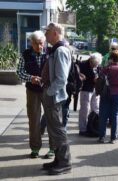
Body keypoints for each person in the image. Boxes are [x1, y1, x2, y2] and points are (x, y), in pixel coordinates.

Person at [16, 30, 54, 159]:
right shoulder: (25, 54)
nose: (39, 46)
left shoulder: (51, 53)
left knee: (51, 119)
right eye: (36, 43)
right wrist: (30, 77)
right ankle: (35, 148)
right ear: (31, 43)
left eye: (41, 43)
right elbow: (19, 72)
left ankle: (52, 148)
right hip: (32, 91)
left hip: (48, 90)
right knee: (34, 120)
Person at [41, 22, 72, 175]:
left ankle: (65, 162)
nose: (45, 35)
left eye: (47, 32)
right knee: (54, 130)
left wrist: (49, 92)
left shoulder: (60, 50)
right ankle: (58, 160)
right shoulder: (56, 49)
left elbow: (61, 79)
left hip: (54, 96)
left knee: (58, 130)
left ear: (55, 33)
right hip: (53, 95)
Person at [98, 50, 118, 144]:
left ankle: (102, 137)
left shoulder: (106, 69)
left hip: (106, 93)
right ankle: (113, 138)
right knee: (115, 116)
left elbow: (100, 80)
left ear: (111, 58)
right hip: (117, 93)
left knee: (103, 116)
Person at [78, 53, 102, 136]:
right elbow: (77, 74)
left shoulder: (98, 66)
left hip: (95, 89)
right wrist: (80, 76)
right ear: (90, 60)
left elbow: (100, 74)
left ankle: (94, 127)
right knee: (85, 109)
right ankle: (83, 129)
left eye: (95, 64)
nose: (93, 66)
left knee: (96, 108)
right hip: (86, 89)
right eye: (92, 64)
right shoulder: (83, 64)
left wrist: (98, 79)